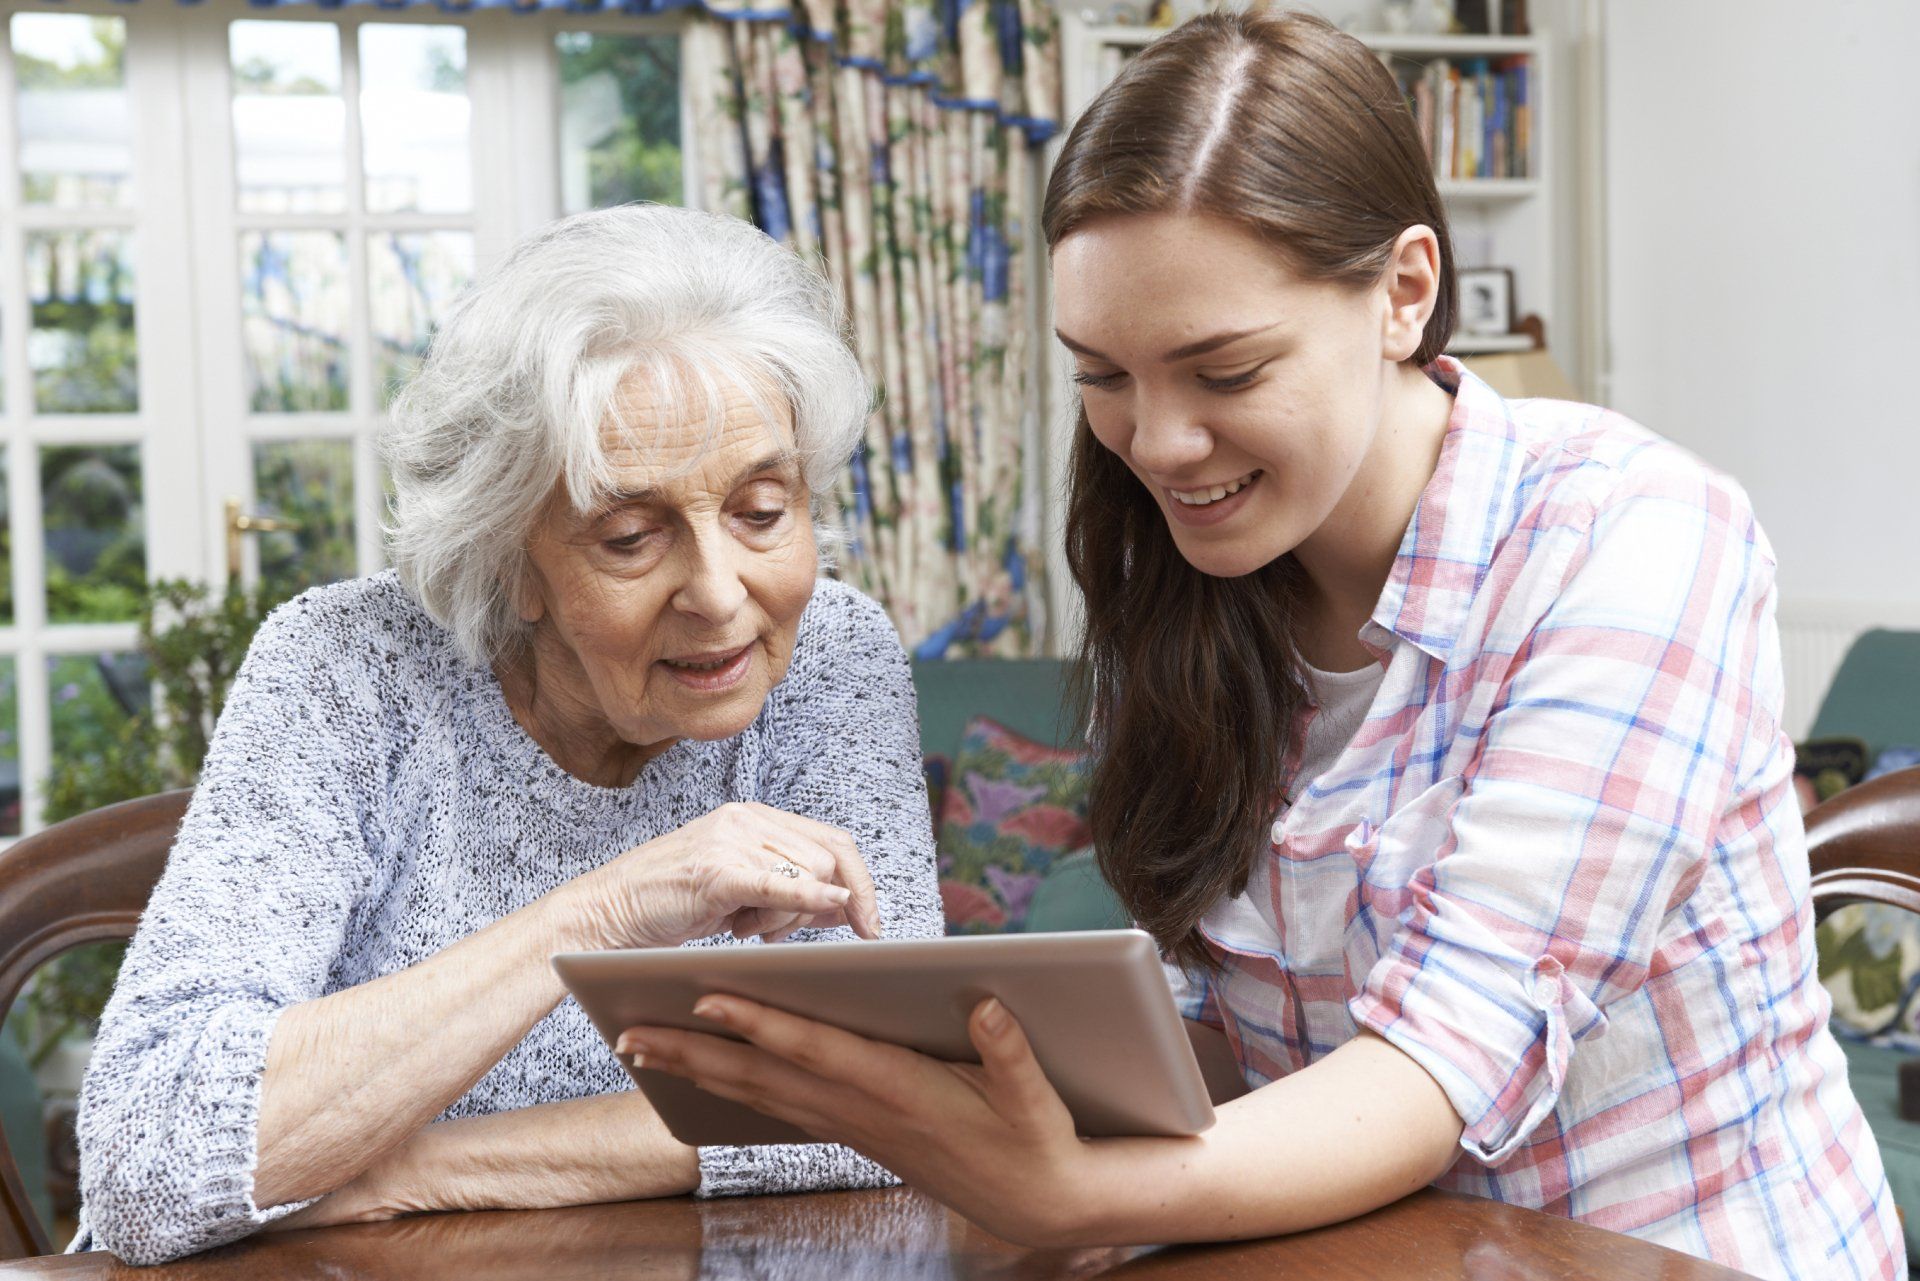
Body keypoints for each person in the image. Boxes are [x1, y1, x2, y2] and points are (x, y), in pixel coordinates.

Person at [612, 13, 1906, 1278]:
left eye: (1223, 373)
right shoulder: (1180, 570)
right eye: (1103, 375)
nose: (1159, 443)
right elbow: (1230, 1033)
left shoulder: (1634, 541)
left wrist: (1081, 1185)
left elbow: (1444, 1064)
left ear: (1404, 294)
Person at [72, 205, 943, 1266]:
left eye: (763, 511)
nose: (721, 595)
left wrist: (406, 1170)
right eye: (630, 537)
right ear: (507, 564)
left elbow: (892, 1100)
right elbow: (148, 1161)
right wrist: (611, 908)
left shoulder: (830, 657)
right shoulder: (348, 669)